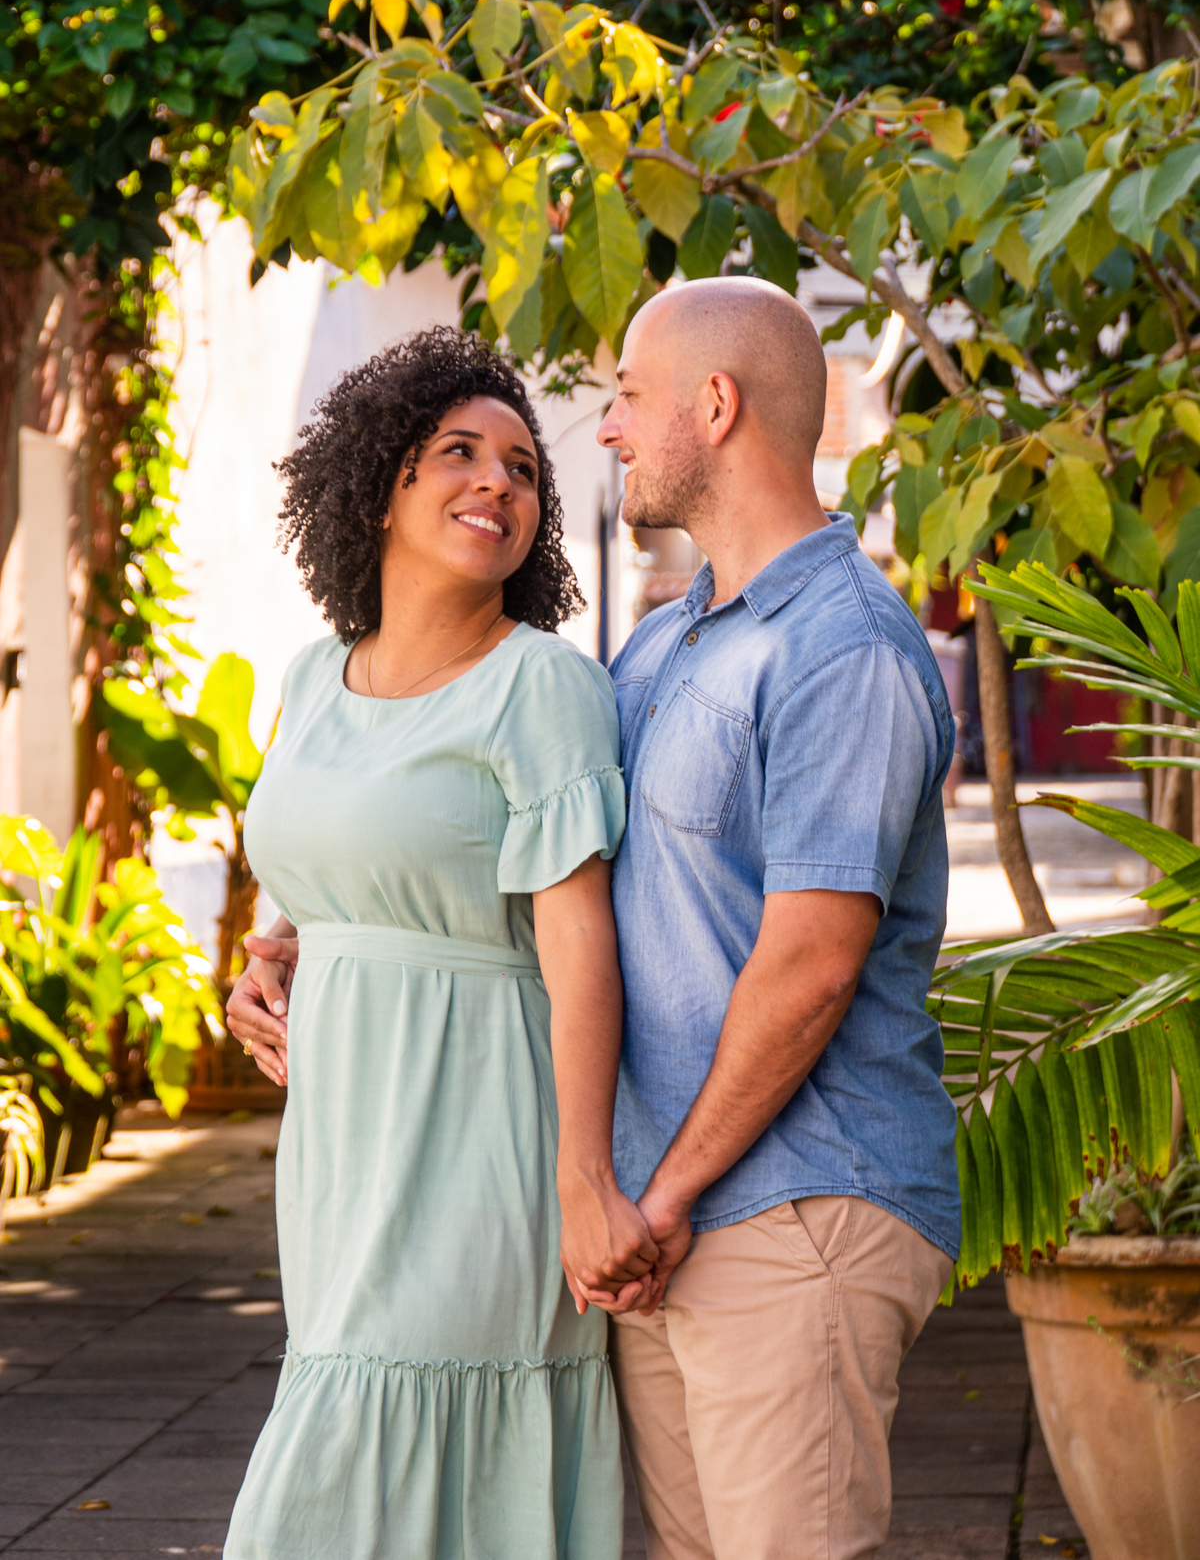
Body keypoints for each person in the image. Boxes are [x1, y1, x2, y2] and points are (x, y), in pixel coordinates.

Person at [222, 326, 657, 1560]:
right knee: (354, 1414)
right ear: (378, 484)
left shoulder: (542, 688)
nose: (499, 484)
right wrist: (270, 959)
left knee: (356, 1470)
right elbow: (331, 872)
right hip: (342, 1149)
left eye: (524, 468)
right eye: (459, 452)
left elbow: (580, 949)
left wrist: (585, 1186)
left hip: (482, 1139)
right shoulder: (315, 678)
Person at [592, 277, 960, 1560]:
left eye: (628, 395)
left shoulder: (845, 650)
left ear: (716, 402)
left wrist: (667, 1193)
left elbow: (809, 965)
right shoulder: (659, 648)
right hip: (667, 1227)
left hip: (798, 1212)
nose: (608, 428)